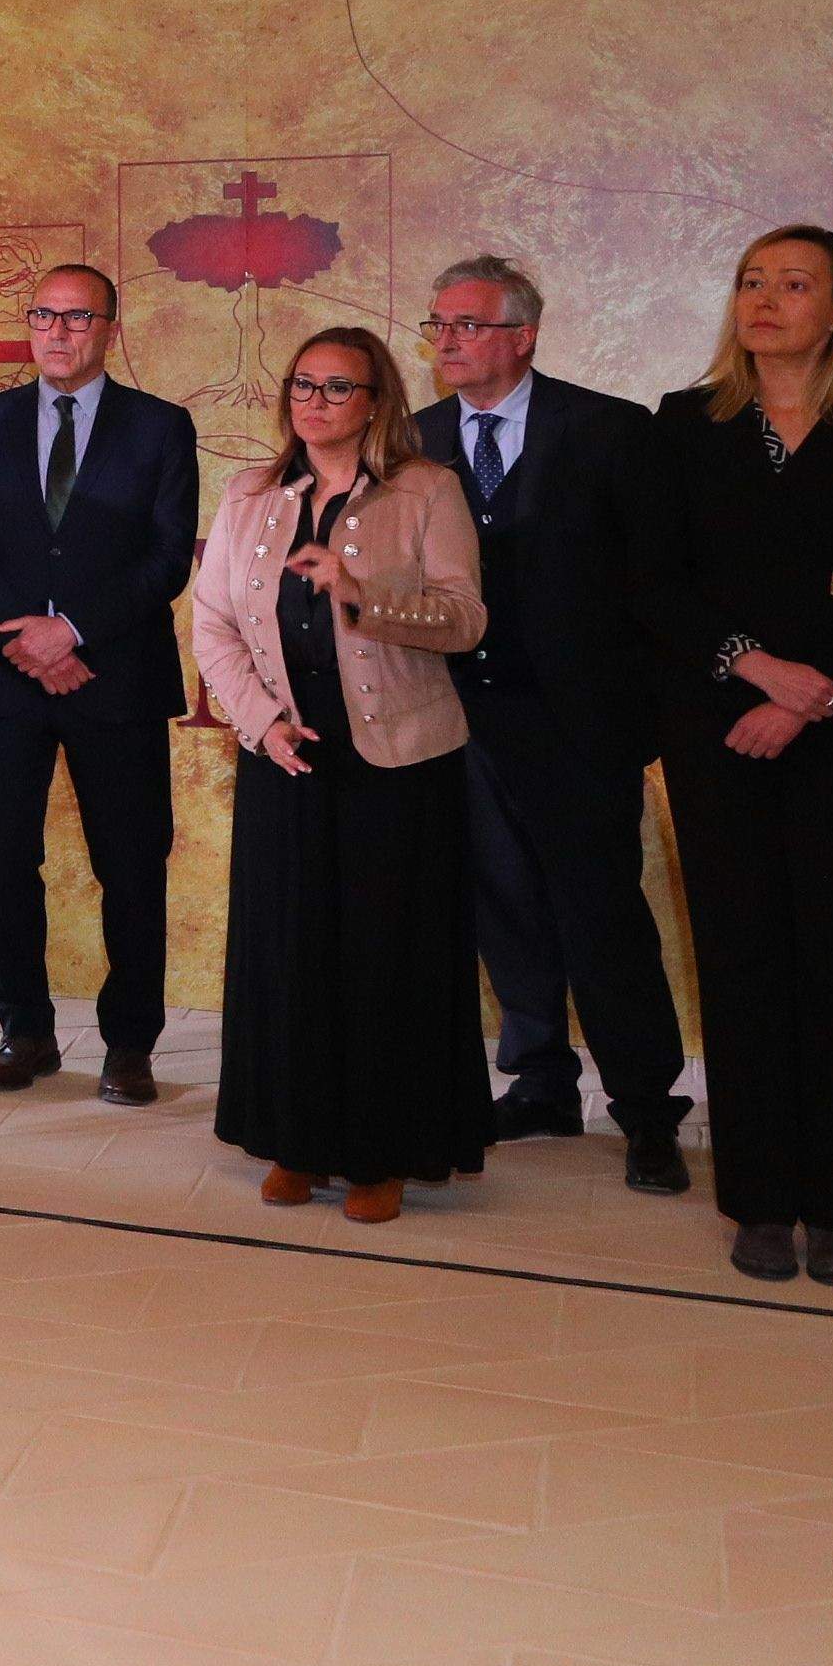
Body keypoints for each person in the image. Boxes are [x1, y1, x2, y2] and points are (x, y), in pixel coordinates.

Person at [636, 227, 833, 1288]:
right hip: (720, 725)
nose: (765, 300)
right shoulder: (686, 424)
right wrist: (756, 670)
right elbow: (657, 583)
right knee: (739, 958)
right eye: (751, 282)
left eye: (795, 284)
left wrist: (812, 692)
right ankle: (760, 1202)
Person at [193, 327, 491, 1224]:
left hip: (400, 766)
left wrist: (362, 589)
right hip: (289, 760)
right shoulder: (251, 493)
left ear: (376, 402)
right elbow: (214, 627)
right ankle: (297, 1142)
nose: (314, 401)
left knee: (384, 961)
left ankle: (383, 1156)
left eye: (337, 387)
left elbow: (465, 619)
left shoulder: (427, 489)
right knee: (291, 954)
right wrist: (263, 725)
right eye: (302, 385)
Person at [409, 254, 690, 1194]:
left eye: (468, 325)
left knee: (600, 914)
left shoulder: (610, 431)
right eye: (437, 325)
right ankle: (540, 1082)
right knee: (501, 908)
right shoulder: (414, 441)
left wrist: (639, 720)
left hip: (580, 729)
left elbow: (660, 587)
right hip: (459, 719)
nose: (446, 341)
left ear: (523, 336)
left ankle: (647, 1109)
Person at [0, 263, 201, 1103]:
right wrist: (26, 640)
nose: (58, 332)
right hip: (2, 678)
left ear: (110, 330)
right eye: (44, 316)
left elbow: (166, 556)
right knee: (6, 859)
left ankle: (131, 1044)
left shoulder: (161, 427)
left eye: (77, 318)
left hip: (113, 676)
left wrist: (72, 631)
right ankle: (26, 1031)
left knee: (131, 864)